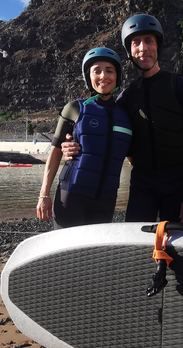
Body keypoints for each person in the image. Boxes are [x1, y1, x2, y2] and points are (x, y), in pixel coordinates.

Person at [62, 14, 183, 224]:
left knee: (175, 247)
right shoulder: (126, 97)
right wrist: (71, 145)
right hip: (142, 184)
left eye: (149, 41)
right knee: (137, 248)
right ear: (129, 51)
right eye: (136, 42)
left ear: (158, 46)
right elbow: (106, 135)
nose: (143, 48)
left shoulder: (181, 87)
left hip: (178, 183)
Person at [37, 48, 132, 229]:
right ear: (89, 76)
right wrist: (44, 195)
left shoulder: (126, 115)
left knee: (95, 256)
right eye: (96, 71)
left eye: (109, 70)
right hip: (71, 196)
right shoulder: (74, 108)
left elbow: (132, 156)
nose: (103, 76)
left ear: (117, 76)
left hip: (106, 200)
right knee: (66, 254)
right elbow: (56, 152)